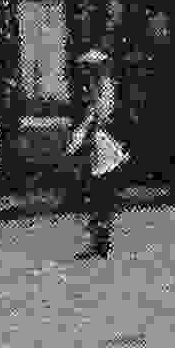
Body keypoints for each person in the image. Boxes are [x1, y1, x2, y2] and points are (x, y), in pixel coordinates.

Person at [66, 46, 129, 258]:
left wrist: (87, 132)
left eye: (90, 68)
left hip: (106, 146)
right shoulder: (94, 89)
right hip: (97, 146)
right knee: (95, 196)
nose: (87, 73)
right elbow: (90, 117)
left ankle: (101, 241)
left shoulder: (106, 87)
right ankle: (98, 240)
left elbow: (102, 116)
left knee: (101, 195)